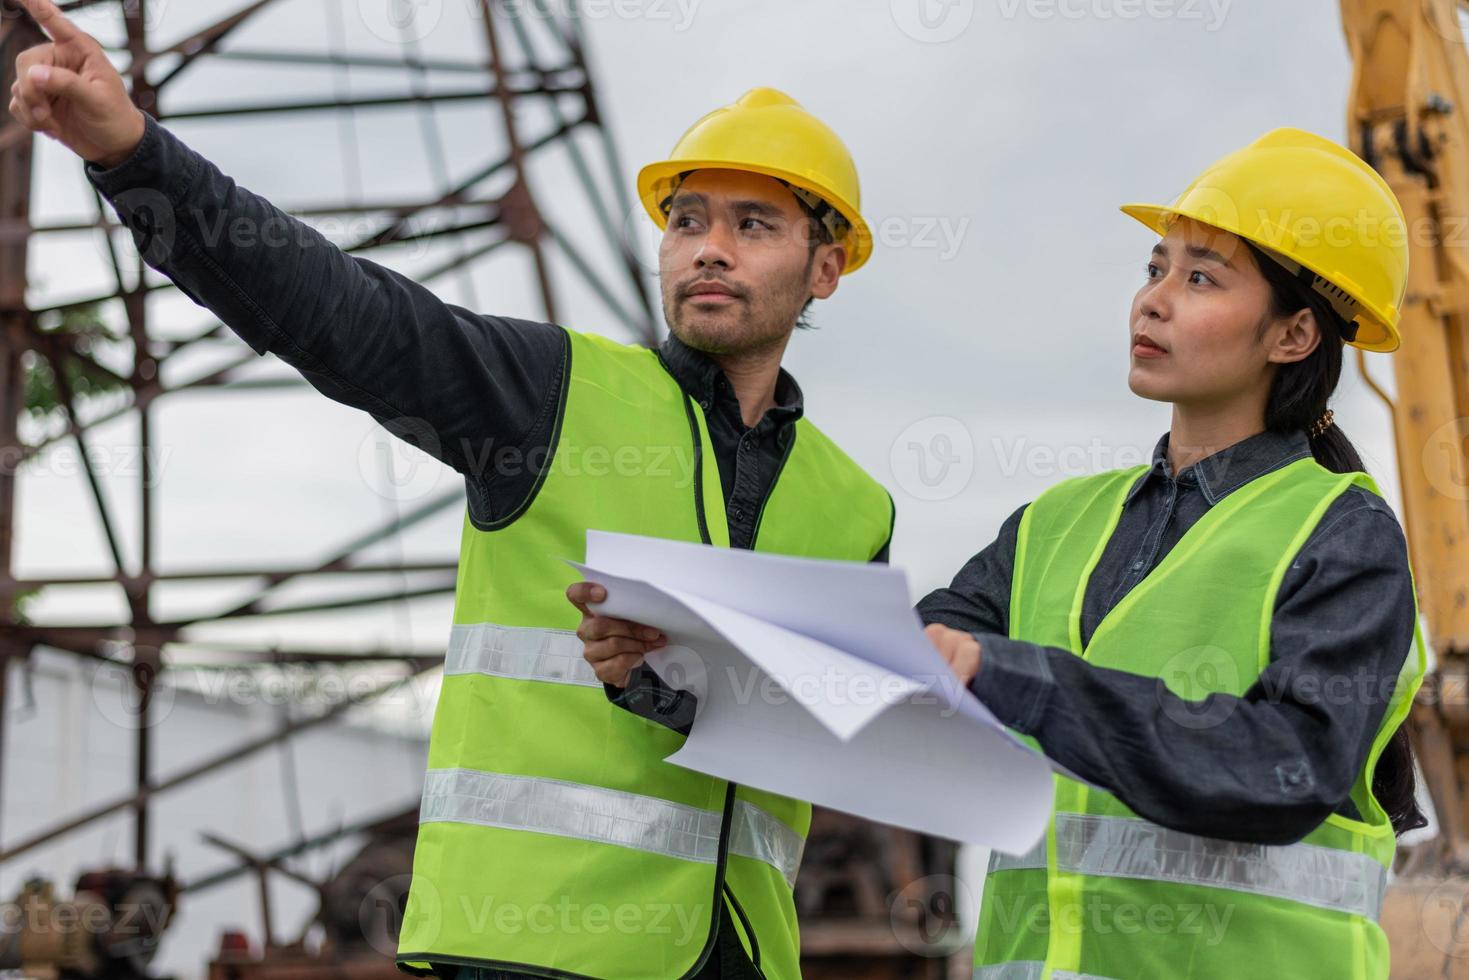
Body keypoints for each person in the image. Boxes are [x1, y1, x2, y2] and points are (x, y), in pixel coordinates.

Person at [8, 2, 893, 977]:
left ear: (826, 266)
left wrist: (687, 685)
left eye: (750, 223)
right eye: (686, 219)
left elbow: (843, 735)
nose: (706, 247)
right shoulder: (550, 393)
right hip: (532, 950)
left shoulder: (854, 508)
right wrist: (133, 153)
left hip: (739, 959)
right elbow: (335, 309)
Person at [918, 128, 1427, 979]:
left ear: (1294, 335)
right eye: (1154, 268)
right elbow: (923, 658)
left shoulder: (1344, 536)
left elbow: (1286, 766)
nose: (1150, 300)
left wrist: (1022, 680)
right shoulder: (1052, 521)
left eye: (1199, 278)